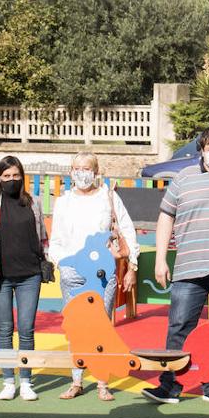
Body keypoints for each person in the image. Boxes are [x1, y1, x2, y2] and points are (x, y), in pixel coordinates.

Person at [142, 126, 209, 406]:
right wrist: (161, 258)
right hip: (190, 266)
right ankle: (170, 385)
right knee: (179, 326)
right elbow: (166, 217)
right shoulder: (184, 178)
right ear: (201, 151)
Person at [48, 151, 139, 401]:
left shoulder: (108, 198)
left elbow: (127, 230)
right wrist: (62, 265)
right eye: (77, 168)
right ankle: (76, 380)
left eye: (87, 168)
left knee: (101, 326)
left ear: (96, 172)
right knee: (76, 327)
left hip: (102, 273)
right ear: (70, 172)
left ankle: (102, 382)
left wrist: (132, 264)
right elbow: (55, 240)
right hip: (72, 273)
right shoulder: (63, 202)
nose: (82, 173)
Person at [0, 156, 48, 401]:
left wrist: (46, 260)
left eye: (15, 176)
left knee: (26, 329)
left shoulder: (32, 202)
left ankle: (25, 380)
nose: (11, 180)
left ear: (22, 177)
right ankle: (7, 380)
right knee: (4, 330)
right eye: (6, 176)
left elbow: (42, 235)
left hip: (29, 276)